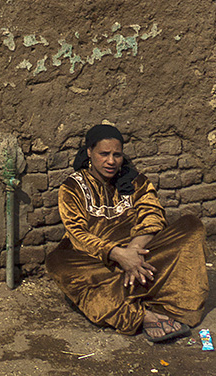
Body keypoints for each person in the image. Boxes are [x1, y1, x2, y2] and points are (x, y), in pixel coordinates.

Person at [46, 124, 208, 342]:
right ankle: (142, 314)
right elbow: (77, 233)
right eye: (104, 154)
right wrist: (118, 255)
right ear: (89, 153)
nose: (111, 161)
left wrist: (133, 252)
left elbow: (153, 215)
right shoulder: (72, 187)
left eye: (117, 155)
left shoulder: (135, 180)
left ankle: (134, 293)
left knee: (191, 226)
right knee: (57, 261)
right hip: (101, 260)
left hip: (141, 254)